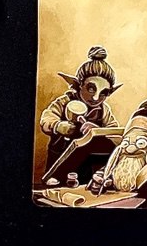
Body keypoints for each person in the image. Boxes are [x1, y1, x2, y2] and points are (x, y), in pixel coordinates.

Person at [39, 46, 122, 176]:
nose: (96, 98)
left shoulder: (104, 110)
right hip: (58, 163)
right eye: (91, 89)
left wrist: (98, 132)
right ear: (79, 85)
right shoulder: (64, 102)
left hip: (86, 164)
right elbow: (47, 117)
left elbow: (115, 135)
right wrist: (58, 126)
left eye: (103, 93)